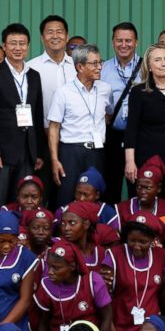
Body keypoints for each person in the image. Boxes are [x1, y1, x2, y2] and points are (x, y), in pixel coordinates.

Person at [0, 23, 46, 207]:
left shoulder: (34, 75)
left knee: (24, 199)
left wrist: (39, 152)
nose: (18, 48)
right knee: (1, 198)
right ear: (4, 46)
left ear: (28, 46)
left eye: (22, 43)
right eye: (13, 43)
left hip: (27, 149)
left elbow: (38, 113)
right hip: (3, 150)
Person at [47, 44, 112, 209]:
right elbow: (54, 127)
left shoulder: (105, 89)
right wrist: (54, 160)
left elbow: (108, 113)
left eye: (100, 62)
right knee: (67, 197)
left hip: (97, 152)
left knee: (95, 198)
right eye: (94, 63)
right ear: (80, 67)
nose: (99, 67)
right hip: (70, 152)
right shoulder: (63, 92)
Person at [124, 44, 165, 201]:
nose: (163, 63)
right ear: (149, 66)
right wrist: (130, 162)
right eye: (157, 60)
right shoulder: (139, 92)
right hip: (145, 160)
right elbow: (131, 130)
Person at [100, 212, 165, 331]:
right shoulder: (114, 255)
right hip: (120, 328)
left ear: (153, 240)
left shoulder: (163, 255)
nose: (137, 246)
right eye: (132, 240)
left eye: (143, 242)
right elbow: (104, 301)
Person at [33, 241, 113, 331]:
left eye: (56, 268)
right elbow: (44, 322)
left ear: (72, 266)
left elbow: (107, 316)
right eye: (49, 266)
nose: (50, 272)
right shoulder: (47, 286)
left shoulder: (92, 281)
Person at [102, 22, 142, 204]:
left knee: (139, 186)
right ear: (112, 43)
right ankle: (110, 229)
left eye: (128, 40)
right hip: (113, 135)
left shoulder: (147, 67)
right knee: (110, 186)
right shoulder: (102, 69)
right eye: (119, 40)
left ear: (136, 42)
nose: (124, 45)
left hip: (139, 137)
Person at [29, 15, 75, 129]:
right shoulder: (30, 67)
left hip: (74, 135)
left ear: (67, 37)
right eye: (50, 32)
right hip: (42, 132)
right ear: (42, 37)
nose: (55, 36)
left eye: (59, 32)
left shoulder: (78, 66)